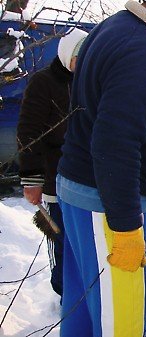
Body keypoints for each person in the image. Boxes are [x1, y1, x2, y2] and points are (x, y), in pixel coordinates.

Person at [55, 1, 146, 336]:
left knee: (85, 305)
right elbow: (115, 144)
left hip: (83, 191)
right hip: (106, 207)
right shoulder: (144, 54)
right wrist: (124, 229)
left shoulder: (118, 27)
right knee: (121, 319)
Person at [16, 27, 88, 298]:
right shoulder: (43, 82)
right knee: (62, 243)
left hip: (84, 182)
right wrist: (32, 180)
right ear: (67, 54)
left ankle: (82, 292)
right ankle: (64, 294)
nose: (83, 64)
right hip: (54, 180)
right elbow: (28, 132)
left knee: (82, 243)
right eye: (79, 57)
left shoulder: (86, 82)